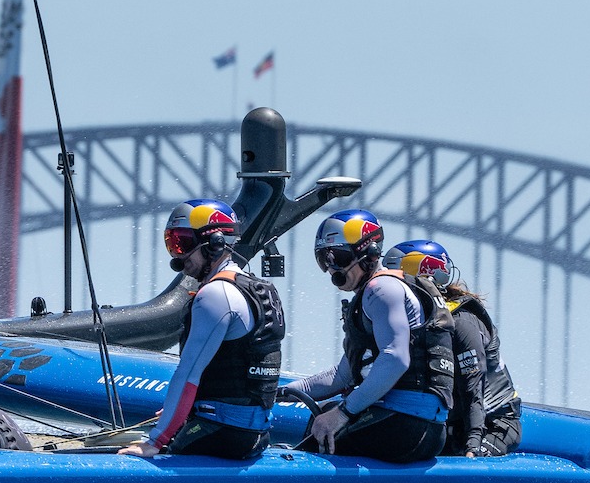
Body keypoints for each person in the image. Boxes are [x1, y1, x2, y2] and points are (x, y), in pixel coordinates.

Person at [118, 198, 286, 460]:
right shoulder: (255, 289)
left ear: (215, 243)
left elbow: (188, 375)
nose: (178, 257)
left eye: (183, 244)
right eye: (172, 244)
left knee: (142, 452)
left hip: (221, 433)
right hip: (255, 435)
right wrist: (183, 412)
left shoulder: (215, 295)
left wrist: (156, 440)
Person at [287, 209, 453, 463]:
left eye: (338, 257)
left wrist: (342, 413)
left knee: (318, 436)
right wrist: (282, 392)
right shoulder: (379, 291)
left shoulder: (380, 289)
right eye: (324, 259)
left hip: (405, 424)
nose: (332, 269)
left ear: (368, 253)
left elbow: (395, 359)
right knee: (324, 412)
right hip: (422, 426)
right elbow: (341, 375)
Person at [390, 239, 521, 457]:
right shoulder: (414, 318)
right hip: (451, 422)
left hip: (492, 425)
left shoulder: (461, 321)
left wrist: (473, 446)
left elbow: (473, 390)